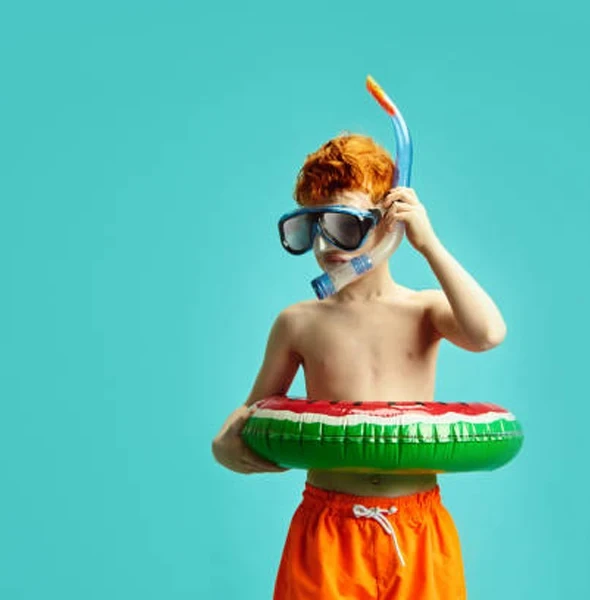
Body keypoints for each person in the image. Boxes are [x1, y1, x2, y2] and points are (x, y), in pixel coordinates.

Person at [212, 133, 506, 599]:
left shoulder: (424, 310)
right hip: (327, 529)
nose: (326, 244)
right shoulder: (298, 322)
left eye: (343, 225)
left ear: (388, 223)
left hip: (417, 527)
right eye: (312, 227)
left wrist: (429, 245)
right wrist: (225, 444)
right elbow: (254, 411)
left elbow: (488, 333)